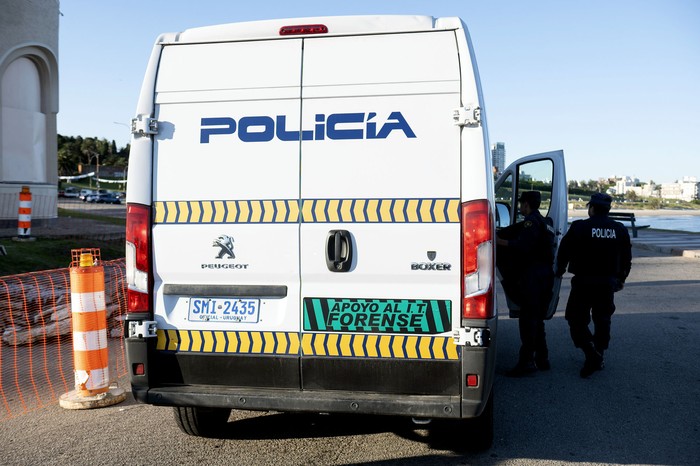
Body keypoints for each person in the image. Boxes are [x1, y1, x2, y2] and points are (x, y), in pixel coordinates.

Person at [555, 192, 632, 378]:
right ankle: (599, 354)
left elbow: (564, 250)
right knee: (602, 319)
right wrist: (622, 278)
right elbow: (626, 258)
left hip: (583, 282)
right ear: (608, 209)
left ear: (591, 208)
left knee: (575, 319)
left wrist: (559, 271)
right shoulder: (619, 229)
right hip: (607, 283)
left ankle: (591, 353)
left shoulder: (580, 227)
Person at [497, 191, 555, 377]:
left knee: (528, 320)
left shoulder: (531, 223)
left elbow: (523, 246)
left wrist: (500, 241)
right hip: (544, 276)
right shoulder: (545, 223)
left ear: (527, 205)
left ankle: (526, 362)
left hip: (533, 278)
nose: (520, 207)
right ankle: (542, 358)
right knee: (536, 319)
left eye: (521, 204)